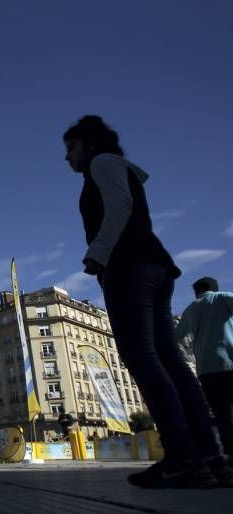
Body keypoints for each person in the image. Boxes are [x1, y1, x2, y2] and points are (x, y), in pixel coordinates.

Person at [63, 115, 231, 488]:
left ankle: (182, 457)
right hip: (155, 265)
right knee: (170, 360)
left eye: (71, 147)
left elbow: (118, 208)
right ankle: (210, 457)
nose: (67, 157)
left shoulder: (102, 163)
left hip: (129, 266)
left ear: (90, 144)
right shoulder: (117, 166)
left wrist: (100, 253)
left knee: (143, 357)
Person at [175, 277, 233, 461]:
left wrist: (189, 351)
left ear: (196, 291)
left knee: (223, 415)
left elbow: (177, 336)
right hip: (230, 360)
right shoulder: (222, 297)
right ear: (214, 288)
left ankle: (231, 455)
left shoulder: (190, 309)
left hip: (206, 369)